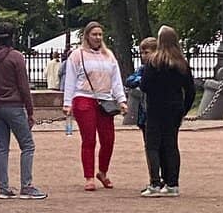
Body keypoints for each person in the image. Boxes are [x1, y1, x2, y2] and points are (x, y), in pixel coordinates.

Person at [0, 21, 47, 200]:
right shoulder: (16, 57)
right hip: (14, 106)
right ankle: (26, 186)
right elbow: (24, 86)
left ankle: (3, 187)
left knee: (2, 147)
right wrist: (30, 110)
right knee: (27, 145)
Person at [63, 21, 127, 190]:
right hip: (84, 97)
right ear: (87, 36)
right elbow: (70, 79)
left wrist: (121, 100)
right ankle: (89, 176)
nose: (98, 38)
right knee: (89, 139)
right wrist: (67, 102)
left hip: (105, 100)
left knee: (108, 140)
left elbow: (116, 79)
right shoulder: (77, 55)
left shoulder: (109, 55)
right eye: (94, 34)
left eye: (100, 34)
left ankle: (103, 172)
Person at [138, 26, 197, 197]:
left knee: (153, 145)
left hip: (156, 108)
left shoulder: (154, 62)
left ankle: (155, 183)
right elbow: (191, 90)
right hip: (174, 108)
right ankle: (172, 184)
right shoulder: (181, 63)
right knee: (171, 145)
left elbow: (145, 86)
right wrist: (184, 109)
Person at [125, 37, 159, 190]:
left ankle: (160, 178)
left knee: (158, 147)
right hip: (144, 115)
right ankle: (154, 177)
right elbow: (130, 80)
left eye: (147, 52)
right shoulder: (142, 69)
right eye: (142, 52)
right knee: (149, 146)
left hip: (157, 112)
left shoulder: (160, 68)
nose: (143, 55)